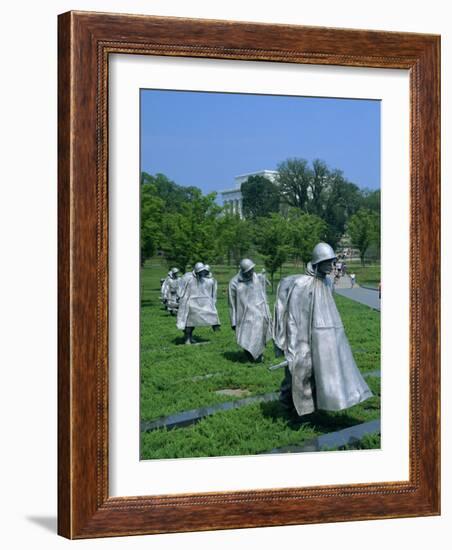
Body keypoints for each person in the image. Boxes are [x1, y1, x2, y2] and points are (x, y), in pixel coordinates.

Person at [273, 242, 372, 415]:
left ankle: (315, 406)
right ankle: (287, 406)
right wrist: (294, 345)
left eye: (333, 261)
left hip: (326, 337)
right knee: (299, 372)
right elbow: (294, 318)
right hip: (305, 337)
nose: (332, 265)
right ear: (318, 262)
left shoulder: (327, 282)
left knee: (323, 374)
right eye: (328, 261)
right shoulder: (303, 285)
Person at [228, 259, 272, 361]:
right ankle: (249, 355)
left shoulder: (255, 277)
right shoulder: (234, 283)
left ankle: (259, 354)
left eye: (252, 270)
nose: (251, 273)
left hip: (258, 313)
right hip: (243, 315)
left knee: (260, 334)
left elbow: (261, 293)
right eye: (248, 271)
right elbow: (231, 303)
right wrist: (233, 321)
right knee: (246, 336)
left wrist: (266, 310)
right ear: (243, 271)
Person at [176, 262, 221, 344]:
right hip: (188, 302)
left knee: (194, 321)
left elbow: (204, 290)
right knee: (188, 323)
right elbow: (180, 288)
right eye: (200, 272)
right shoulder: (187, 277)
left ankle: (190, 337)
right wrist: (179, 297)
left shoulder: (202, 278)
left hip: (197, 302)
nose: (202, 273)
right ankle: (187, 339)